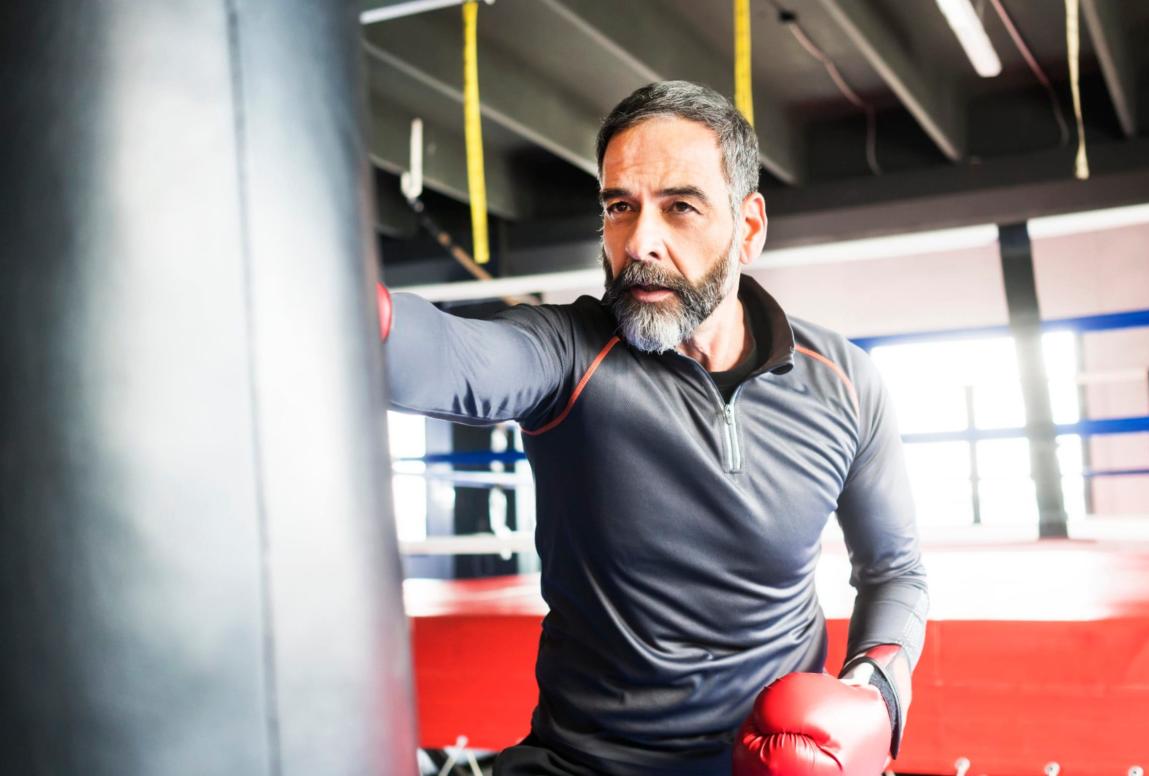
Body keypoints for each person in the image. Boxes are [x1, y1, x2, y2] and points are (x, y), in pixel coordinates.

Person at [381, 81, 928, 775]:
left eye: (680, 208)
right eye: (620, 207)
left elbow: (896, 571)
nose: (641, 241)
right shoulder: (569, 351)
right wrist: (323, 300)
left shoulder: (844, 383)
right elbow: (448, 353)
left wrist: (874, 692)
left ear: (749, 228)